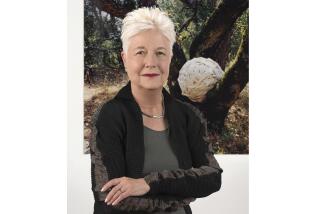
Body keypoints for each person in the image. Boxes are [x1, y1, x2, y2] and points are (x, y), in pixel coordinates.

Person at [90, 7, 223, 214]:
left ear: (170, 57)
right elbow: (109, 196)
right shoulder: (110, 115)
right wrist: (178, 198)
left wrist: (148, 184)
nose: (151, 63)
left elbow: (212, 177)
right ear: (125, 59)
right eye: (140, 52)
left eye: (160, 53)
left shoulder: (189, 116)